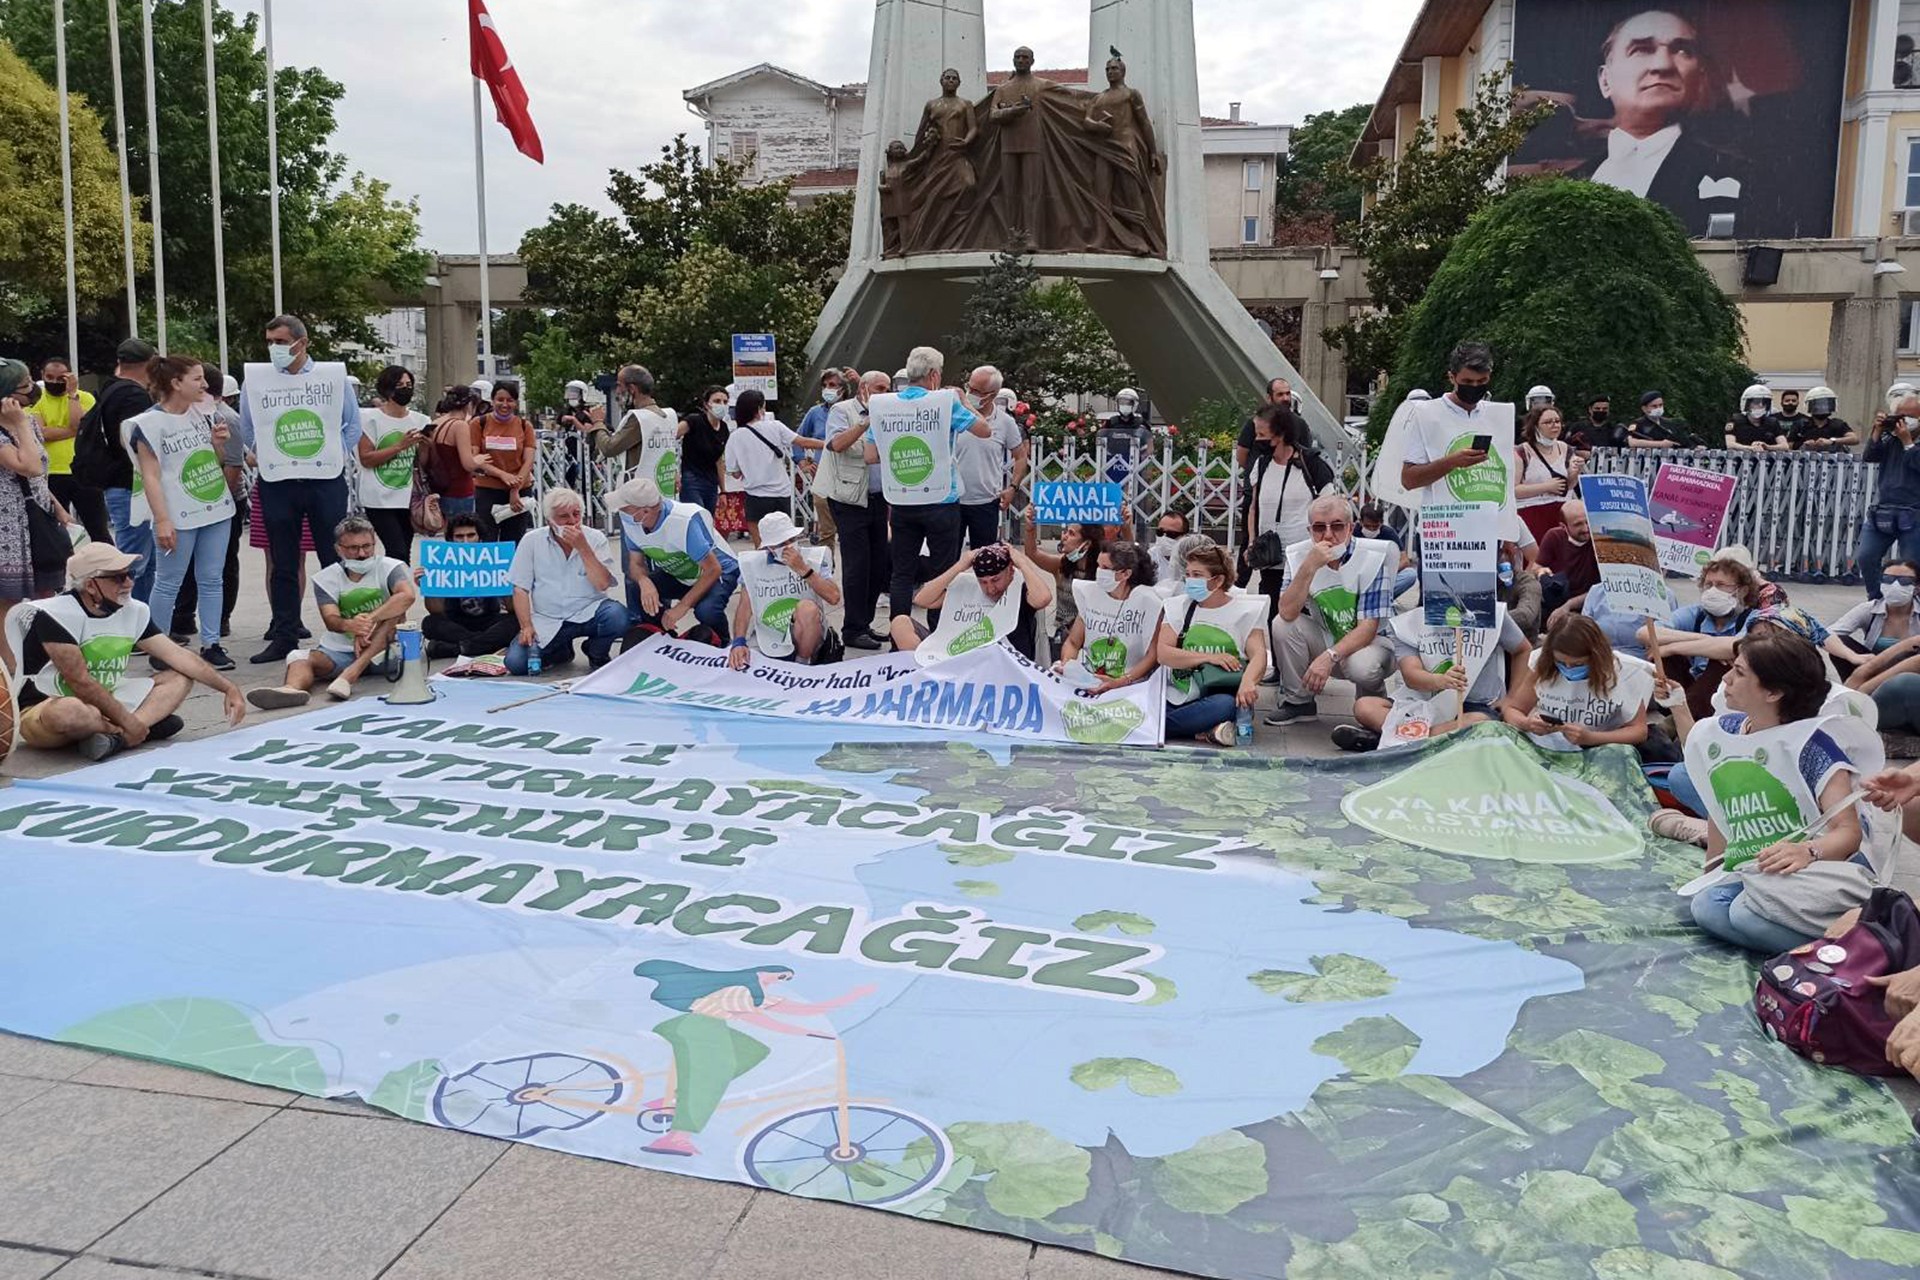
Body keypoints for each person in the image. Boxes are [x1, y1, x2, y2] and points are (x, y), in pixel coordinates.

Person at [1686, 628, 1880, 953]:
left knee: (1745, 916)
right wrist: (1712, 872)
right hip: (1758, 868)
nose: (1726, 680)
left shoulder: (1813, 747)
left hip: (1811, 871)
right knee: (1706, 907)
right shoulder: (1726, 731)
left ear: (1773, 692)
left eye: (1738, 672)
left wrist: (1807, 851)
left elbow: (1848, 833)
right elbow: (1721, 809)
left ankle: (1849, 953)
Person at [14, 543, 244, 760]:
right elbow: (80, 683)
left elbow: (178, 656)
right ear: (91, 585)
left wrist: (228, 688)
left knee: (180, 677)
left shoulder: (132, 610)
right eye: (118, 577)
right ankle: (136, 730)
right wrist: (128, 722)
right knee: (71, 711)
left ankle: (116, 738)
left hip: (106, 701)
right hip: (46, 707)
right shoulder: (56, 615)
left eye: (129, 574)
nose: (129, 584)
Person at [628, 960, 873, 1159]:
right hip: (699, 1026)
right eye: (781, 976)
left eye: (786, 979)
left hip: (707, 1026)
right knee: (713, 1074)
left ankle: (677, 1098)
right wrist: (805, 1032)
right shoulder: (741, 990)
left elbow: (808, 1010)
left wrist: (853, 996)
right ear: (762, 971)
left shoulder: (756, 995)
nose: (781, 981)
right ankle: (676, 1138)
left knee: (753, 1051)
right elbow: (758, 1020)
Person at [240, 315, 360, 664]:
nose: (274, 348)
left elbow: (351, 425)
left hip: (325, 478)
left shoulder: (333, 378)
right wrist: (271, 455)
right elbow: (250, 428)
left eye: (280, 341)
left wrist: (331, 452)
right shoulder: (257, 381)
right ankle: (285, 634)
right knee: (283, 561)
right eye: (270, 342)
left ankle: (345, 630)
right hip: (278, 480)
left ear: (301, 342)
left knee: (334, 556)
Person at [1582, 9, 1745, 237]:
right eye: (1641, 49)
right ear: (1605, 80)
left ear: (1700, 77)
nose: (1663, 65)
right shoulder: (1574, 179)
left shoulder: (1739, 173)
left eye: (1682, 50)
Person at [875, 345, 995, 632]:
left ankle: (899, 634)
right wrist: (964, 402)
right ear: (933, 376)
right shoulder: (945, 402)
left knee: (902, 574)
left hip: (902, 499)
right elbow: (984, 430)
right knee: (942, 573)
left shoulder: (884, 405)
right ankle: (938, 633)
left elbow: (869, 454)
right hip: (941, 498)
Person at [132, 356, 237, 672]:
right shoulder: (148, 423)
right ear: (176, 383)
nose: (205, 385)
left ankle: (212, 643)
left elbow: (211, 460)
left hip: (214, 505)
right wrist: (162, 519)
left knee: (211, 578)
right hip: (177, 512)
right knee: (168, 580)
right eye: (197, 379)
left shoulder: (202, 414)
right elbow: (148, 475)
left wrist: (218, 445)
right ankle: (159, 645)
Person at [248, 515, 417, 708]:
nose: (362, 553)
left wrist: (369, 621)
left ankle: (350, 675)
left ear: (374, 543)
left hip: (386, 652)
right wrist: (351, 626)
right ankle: (291, 690)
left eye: (367, 546)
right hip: (341, 651)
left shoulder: (389, 567)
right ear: (339, 549)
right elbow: (331, 620)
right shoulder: (326, 577)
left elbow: (407, 596)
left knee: (396, 613)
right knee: (299, 656)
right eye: (353, 548)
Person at [1265, 494, 1397, 725]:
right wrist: (1308, 567)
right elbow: (1286, 612)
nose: (1328, 535)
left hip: (1373, 644)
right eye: (1319, 528)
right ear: (1309, 530)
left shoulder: (1372, 557)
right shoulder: (1299, 556)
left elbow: (1368, 628)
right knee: (1282, 625)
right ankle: (1299, 702)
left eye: (1337, 526)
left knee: (1362, 666)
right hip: (1328, 635)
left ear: (1350, 527)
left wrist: (1329, 657)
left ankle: (1374, 705)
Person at [1344, 603, 1532, 751]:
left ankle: (1393, 740)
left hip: (1475, 706)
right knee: (1364, 707)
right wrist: (1441, 681)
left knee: (1480, 724)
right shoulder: (1410, 624)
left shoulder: (1495, 614)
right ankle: (1426, 741)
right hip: (1425, 701)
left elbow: (1523, 649)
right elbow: (1411, 675)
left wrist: (1511, 699)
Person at [166, 362, 250, 646]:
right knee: (184, 568)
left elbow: (233, 467)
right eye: (195, 380)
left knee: (221, 567)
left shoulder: (227, 418)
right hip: (189, 504)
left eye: (202, 382)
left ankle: (219, 622)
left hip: (223, 503)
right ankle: (182, 616)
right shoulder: (176, 417)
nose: (199, 387)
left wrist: (218, 501)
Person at [500, 488, 625, 676]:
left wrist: (583, 548)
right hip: (548, 618)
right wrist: (526, 626)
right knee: (516, 664)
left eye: (576, 514)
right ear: (550, 520)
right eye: (564, 516)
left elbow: (603, 584)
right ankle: (560, 651)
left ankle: (595, 651)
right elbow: (520, 588)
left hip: (588, 611)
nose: (572, 521)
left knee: (618, 617)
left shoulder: (595, 538)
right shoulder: (532, 540)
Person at [1156, 543, 1266, 746]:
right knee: (1151, 704)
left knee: (1225, 705)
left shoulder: (1246, 611)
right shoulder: (1178, 606)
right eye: (1188, 574)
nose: (1190, 580)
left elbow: (1259, 654)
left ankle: (1157, 727)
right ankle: (1205, 730)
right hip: (1179, 693)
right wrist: (1209, 657)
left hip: (1218, 696)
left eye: (1197, 574)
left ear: (1218, 580)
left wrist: (1248, 682)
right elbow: (1163, 653)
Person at [611, 476, 739, 640]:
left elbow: (713, 569)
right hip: (681, 573)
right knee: (639, 589)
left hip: (718, 572)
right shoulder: (632, 522)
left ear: (645, 511)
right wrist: (644, 581)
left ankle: (722, 642)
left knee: (707, 610)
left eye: (624, 509)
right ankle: (661, 635)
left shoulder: (683, 522)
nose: (621, 513)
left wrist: (682, 606)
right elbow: (635, 563)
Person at [1502, 612, 1654, 750]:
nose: (1568, 668)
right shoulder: (1543, 662)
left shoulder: (1626, 671)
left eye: (1578, 664)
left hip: (1602, 749)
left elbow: (1639, 731)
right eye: (1561, 662)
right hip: (1550, 746)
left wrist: (1591, 738)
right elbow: (1513, 710)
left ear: (1596, 657)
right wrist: (1527, 724)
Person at [817, 371, 890, 649]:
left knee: (878, 564)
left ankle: (865, 624)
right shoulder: (841, 410)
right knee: (857, 565)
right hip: (848, 498)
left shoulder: (889, 412)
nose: (885, 393)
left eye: (888, 389)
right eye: (880, 388)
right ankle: (853, 629)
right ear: (863, 388)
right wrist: (866, 422)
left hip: (878, 497)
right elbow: (836, 444)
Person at [0, 358, 65, 658]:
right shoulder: (8, 431)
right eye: (25, 385)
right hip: (8, 530)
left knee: (45, 595)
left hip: (35, 520)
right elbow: (29, 466)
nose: (33, 390)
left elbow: (42, 475)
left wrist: (57, 507)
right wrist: (17, 425)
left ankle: (40, 660)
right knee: (8, 603)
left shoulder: (28, 422)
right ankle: (11, 673)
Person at [892, 541, 1052, 662]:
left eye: (996, 580)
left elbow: (1043, 598)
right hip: (955, 657)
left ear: (1010, 571)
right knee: (900, 622)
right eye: (983, 582)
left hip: (997, 661)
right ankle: (923, 675)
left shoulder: (1020, 590)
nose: (991, 589)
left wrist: (1022, 563)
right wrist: (959, 567)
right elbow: (922, 599)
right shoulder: (968, 587)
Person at [728, 512, 841, 669]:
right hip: (769, 633)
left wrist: (804, 570)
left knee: (807, 608)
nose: (788, 546)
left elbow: (834, 597)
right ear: (768, 547)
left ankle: (801, 664)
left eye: (792, 539)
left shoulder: (813, 557)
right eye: (780, 543)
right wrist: (738, 641)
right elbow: (744, 607)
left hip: (807, 631)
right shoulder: (753, 564)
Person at [1245, 405, 1335, 593]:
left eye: (1262, 434)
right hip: (1270, 558)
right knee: (1271, 612)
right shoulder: (1261, 464)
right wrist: (1251, 543)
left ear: (1280, 435)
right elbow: (1254, 507)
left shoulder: (1311, 464)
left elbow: (1329, 510)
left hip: (1303, 558)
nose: (1257, 440)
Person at [95, 339, 158, 599]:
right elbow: (131, 440)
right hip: (130, 486)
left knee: (145, 560)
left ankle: (145, 622)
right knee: (134, 562)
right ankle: (127, 621)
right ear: (150, 363)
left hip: (121, 483)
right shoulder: (133, 396)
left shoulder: (111, 389)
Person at [1055, 540, 1162, 692]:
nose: (1099, 571)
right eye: (1099, 565)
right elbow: (1073, 642)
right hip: (1087, 679)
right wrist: (1067, 665)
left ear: (1125, 573)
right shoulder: (1090, 593)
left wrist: (1122, 681)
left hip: (1129, 687)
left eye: (1105, 568)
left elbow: (1152, 654)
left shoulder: (1149, 602)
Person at [724, 388, 825, 542]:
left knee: (761, 544)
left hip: (755, 497)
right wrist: (829, 444)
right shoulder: (775, 426)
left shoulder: (734, 437)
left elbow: (734, 472)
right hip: (781, 494)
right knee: (786, 543)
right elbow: (802, 442)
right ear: (759, 409)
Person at [32, 355, 109, 544]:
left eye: (61, 379)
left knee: (98, 529)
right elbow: (42, 433)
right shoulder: (35, 399)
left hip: (84, 471)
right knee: (56, 531)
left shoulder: (85, 398)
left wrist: (72, 394)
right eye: (49, 377)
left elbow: (80, 425)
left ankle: (112, 570)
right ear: (42, 375)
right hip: (52, 473)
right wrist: (72, 430)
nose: (54, 382)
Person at [419, 514, 518, 659]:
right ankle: (485, 644)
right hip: (456, 622)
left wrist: (509, 581)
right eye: (459, 537)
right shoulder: (442, 562)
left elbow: (511, 608)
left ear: (480, 538)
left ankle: (460, 648)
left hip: (489, 620)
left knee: (517, 620)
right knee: (429, 623)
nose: (465, 541)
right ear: (451, 540)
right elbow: (436, 610)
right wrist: (428, 583)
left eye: (471, 535)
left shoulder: (492, 560)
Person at [356, 364, 428, 562]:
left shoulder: (420, 420)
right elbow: (367, 459)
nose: (405, 389)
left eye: (409, 385)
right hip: (378, 498)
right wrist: (400, 446)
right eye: (400, 385)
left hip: (408, 497)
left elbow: (423, 462)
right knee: (396, 549)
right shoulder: (370, 419)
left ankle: (400, 590)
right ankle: (396, 590)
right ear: (387, 388)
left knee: (405, 549)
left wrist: (427, 447)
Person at [957, 365, 1029, 550]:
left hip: (986, 501)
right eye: (969, 387)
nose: (969, 393)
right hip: (952, 500)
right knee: (947, 562)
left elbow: (1020, 456)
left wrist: (1013, 487)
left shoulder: (1005, 422)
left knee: (986, 560)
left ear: (992, 394)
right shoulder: (955, 414)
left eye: (976, 391)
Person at [1858, 389, 1920, 599]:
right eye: (1899, 416)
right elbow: (1870, 456)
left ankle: (1912, 605)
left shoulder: (1904, 439)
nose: (1903, 422)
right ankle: (1876, 600)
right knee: (1866, 557)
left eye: (1909, 416)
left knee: (1913, 567)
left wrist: (1908, 442)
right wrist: (1877, 430)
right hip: (1883, 509)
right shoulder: (1891, 436)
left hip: (1915, 512)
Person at [590, 364, 681, 496]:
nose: (618, 391)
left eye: (620, 385)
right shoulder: (667, 415)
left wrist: (598, 423)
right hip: (663, 489)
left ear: (632, 389)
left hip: (640, 495)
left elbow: (609, 448)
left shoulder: (640, 418)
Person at [1021, 512, 1102, 653]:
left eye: (1071, 534)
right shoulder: (1061, 565)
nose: (1064, 536)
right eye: (1065, 531)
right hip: (1063, 637)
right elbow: (1032, 553)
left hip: (1092, 640)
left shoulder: (1103, 572)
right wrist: (1030, 529)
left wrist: (1126, 530)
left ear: (1086, 544)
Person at [470, 380, 535, 544]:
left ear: (516, 402)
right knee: (487, 540)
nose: (505, 404)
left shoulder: (524, 425)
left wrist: (515, 488)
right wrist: (502, 475)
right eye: (500, 400)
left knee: (514, 542)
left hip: (519, 490)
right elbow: (474, 459)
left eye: (510, 400)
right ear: (492, 401)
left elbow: (528, 460)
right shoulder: (478, 423)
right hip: (488, 490)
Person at [794, 369, 845, 547]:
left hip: (848, 476)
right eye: (824, 385)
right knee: (826, 531)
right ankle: (826, 569)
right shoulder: (815, 413)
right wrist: (802, 462)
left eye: (832, 385)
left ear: (843, 389)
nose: (827, 389)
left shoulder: (852, 409)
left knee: (849, 529)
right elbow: (796, 440)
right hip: (822, 476)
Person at [1516, 405, 1580, 543]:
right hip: (1531, 513)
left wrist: (1574, 473)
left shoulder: (1565, 448)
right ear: (1535, 426)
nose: (1554, 425)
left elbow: (1568, 486)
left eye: (1557, 421)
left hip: (1560, 512)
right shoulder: (1522, 452)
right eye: (1548, 422)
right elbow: (1513, 490)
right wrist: (1546, 487)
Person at [1832, 560, 1920, 657]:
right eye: (1887, 579)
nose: (1895, 585)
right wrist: (1853, 657)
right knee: (1841, 641)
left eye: (1905, 581)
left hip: (1913, 669)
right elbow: (1827, 635)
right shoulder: (1869, 609)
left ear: (1917, 587)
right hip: (1870, 668)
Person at [1537, 500, 1601, 627]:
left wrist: (1568, 606)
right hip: (1556, 604)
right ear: (1563, 527)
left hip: (1590, 606)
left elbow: (1602, 589)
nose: (1586, 528)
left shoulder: (1600, 541)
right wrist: (1541, 573)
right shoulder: (1554, 536)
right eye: (1578, 524)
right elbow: (1536, 568)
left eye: (1587, 521)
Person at [426, 385, 483, 518]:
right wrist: (479, 460)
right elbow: (468, 464)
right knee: (462, 533)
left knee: (449, 534)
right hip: (460, 490)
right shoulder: (459, 425)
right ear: (469, 404)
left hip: (440, 488)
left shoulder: (437, 422)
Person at [678, 385, 731, 516]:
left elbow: (719, 461)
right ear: (707, 405)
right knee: (697, 517)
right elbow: (670, 436)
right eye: (717, 401)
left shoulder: (724, 429)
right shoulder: (694, 421)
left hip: (711, 483)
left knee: (708, 520)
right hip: (691, 479)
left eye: (725, 402)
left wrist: (723, 491)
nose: (721, 405)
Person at [1234, 377, 1292, 475]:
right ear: (1269, 398)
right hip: (1258, 481)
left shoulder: (1299, 423)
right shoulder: (1256, 422)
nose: (1285, 398)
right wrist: (1253, 471)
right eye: (1280, 394)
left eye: (1287, 393)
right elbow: (1241, 454)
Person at [1791, 385, 1857, 452]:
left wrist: (1831, 441)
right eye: (1818, 405)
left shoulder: (1837, 424)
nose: (1822, 408)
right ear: (1810, 406)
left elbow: (1854, 439)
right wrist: (1804, 444)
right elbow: (1788, 445)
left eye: (1825, 405)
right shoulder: (1801, 424)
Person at [1724, 385, 1787, 452]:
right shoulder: (1736, 420)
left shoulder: (1772, 422)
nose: (1761, 405)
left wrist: (1767, 446)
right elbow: (1730, 444)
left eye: (1764, 402)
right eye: (1756, 402)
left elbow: (1785, 446)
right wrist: (1751, 448)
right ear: (1747, 404)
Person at [1148, 509, 1190, 585]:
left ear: (1184, 536)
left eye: (1171, 534)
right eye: (1160, 532)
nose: (1164, 537)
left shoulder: (1192, 560)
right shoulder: (1150, 556)